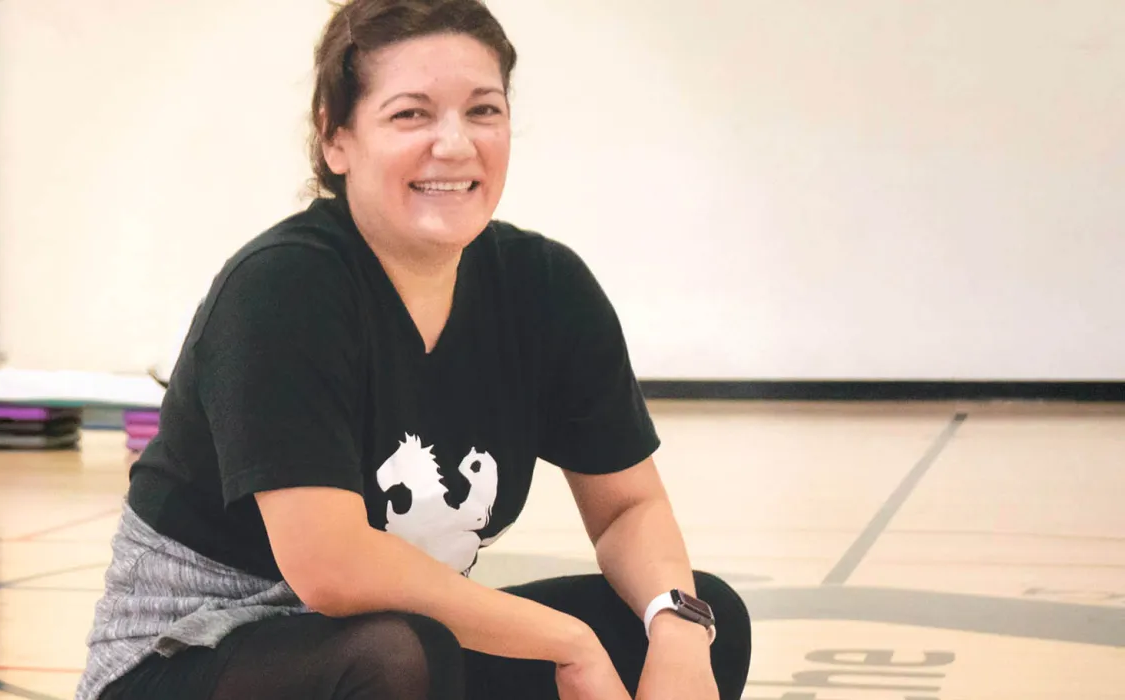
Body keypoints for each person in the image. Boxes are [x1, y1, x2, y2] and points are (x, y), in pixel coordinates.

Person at [76, 1, 752, 698]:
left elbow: (626, 508)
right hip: (186, 657)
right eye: (411, 114)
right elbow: (334, 569)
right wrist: (567, 642)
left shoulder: (545, 287)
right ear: (336, 139)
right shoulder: (282, 288)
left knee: (702, 620)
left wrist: (677, 625)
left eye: (483, 110)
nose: (455, 144)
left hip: (395, 643)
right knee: (396, 655)